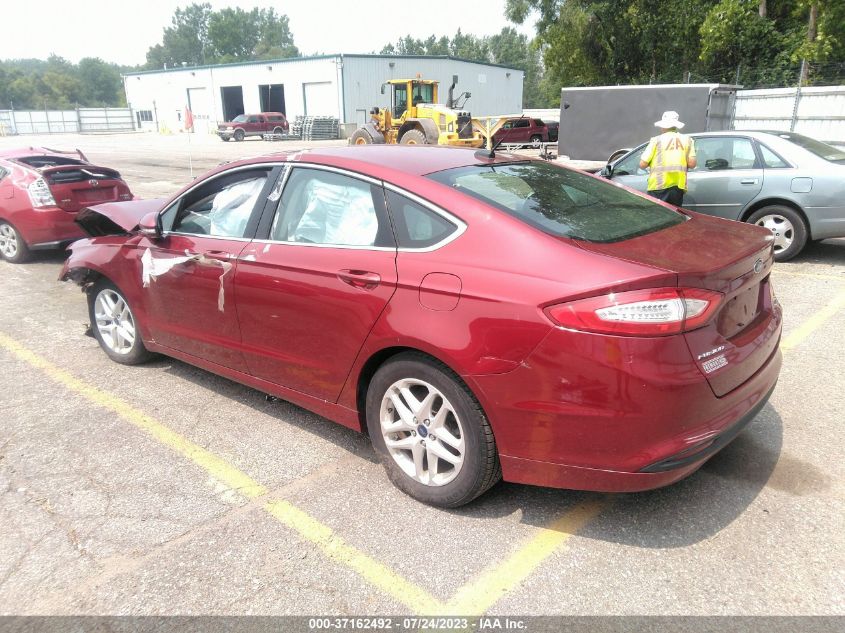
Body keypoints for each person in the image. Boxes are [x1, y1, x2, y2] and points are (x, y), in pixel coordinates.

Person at [639, 111, 697, 206]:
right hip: (678, 187)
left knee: (658, 217)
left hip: (657, 186)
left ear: (663, 126)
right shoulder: (687, 140)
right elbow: (692, 164)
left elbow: (642, 164)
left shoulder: (656, 140)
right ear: (676, 126)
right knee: (675, 217)